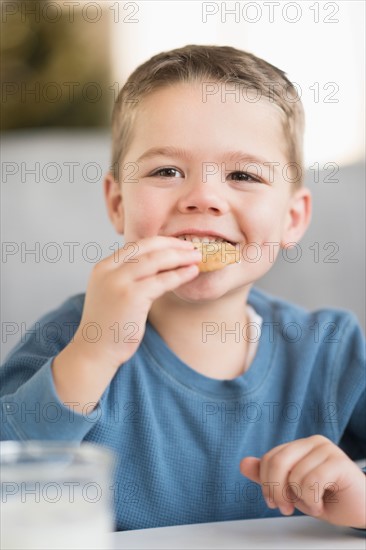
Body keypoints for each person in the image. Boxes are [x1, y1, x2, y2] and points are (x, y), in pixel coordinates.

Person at [1, 45, 365, 531]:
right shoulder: (71, 338)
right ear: (117, 203)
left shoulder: (331, 351)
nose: (204, 198)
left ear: (292, 218)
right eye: (167, 171)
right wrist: (91, 357)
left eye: (243, 174)